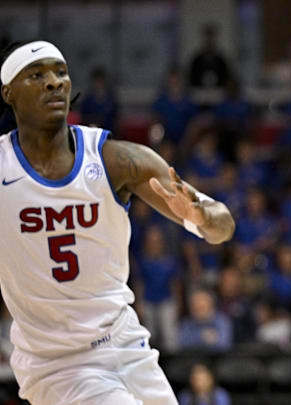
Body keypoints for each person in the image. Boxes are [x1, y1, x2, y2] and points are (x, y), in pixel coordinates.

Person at [0, 40, 235, 405]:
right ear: (9, 93)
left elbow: (224, 226)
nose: (53, 82)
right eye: (36, 75)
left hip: (126, 344)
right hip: (58, 364)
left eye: (60, 72)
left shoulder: (115, 159)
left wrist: (200, 216)